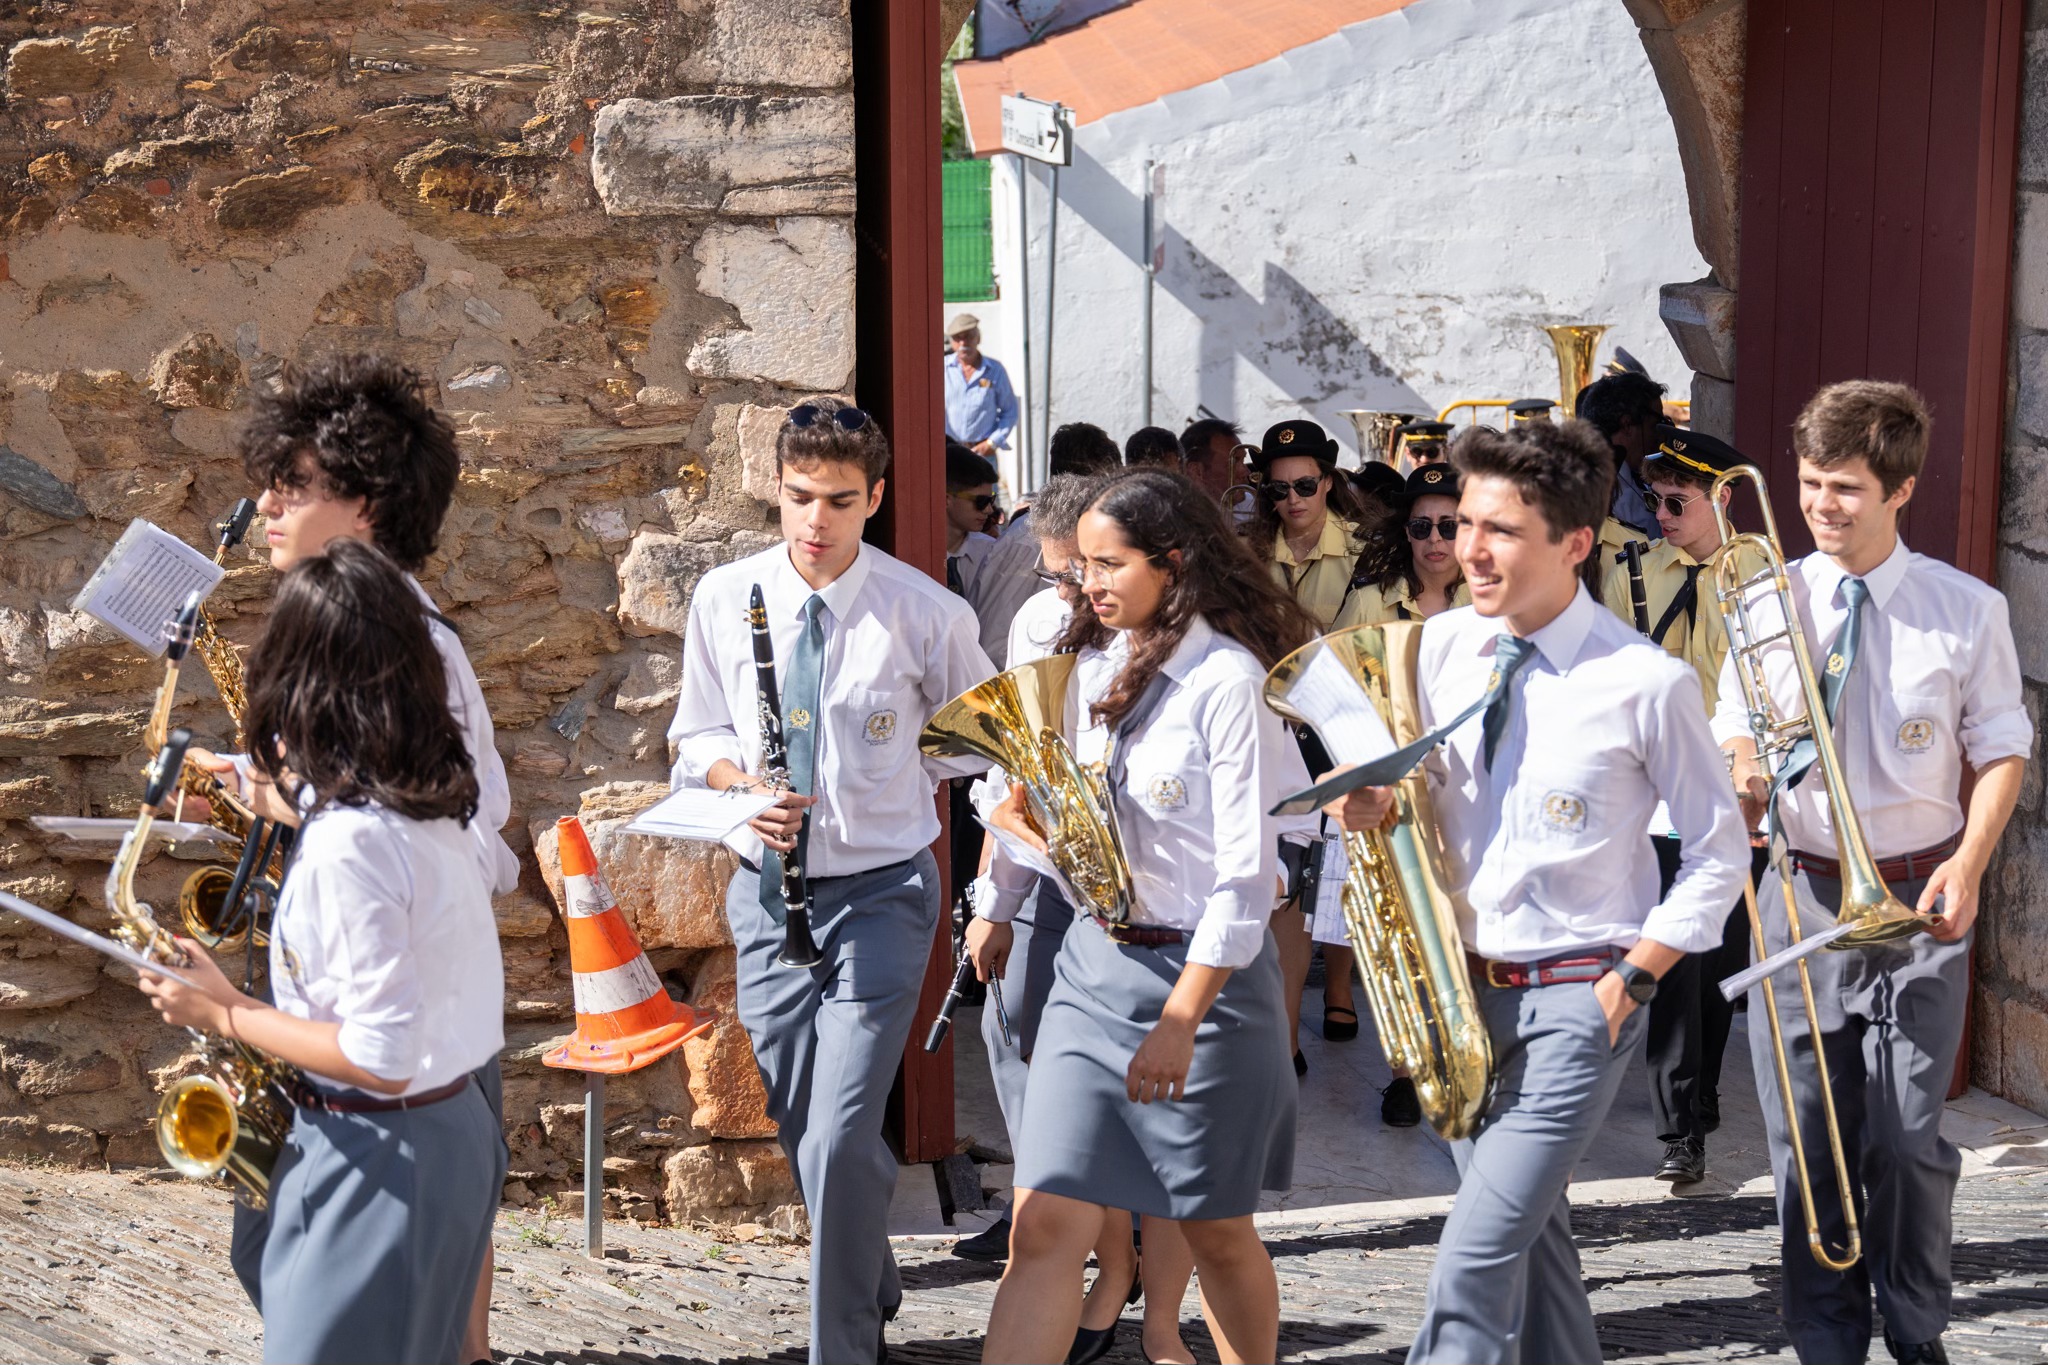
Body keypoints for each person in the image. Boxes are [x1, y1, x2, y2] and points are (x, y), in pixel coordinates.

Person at [1321, 419, 1749, 1364]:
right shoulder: (1435, 649)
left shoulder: (1645, 682)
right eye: (1465, 522)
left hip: (1579, 1001)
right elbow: (1389, 785)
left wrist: (1630, 981)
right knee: (1533, 1241)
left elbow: (1720, 854)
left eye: (1500, 529)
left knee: (1474, 1259)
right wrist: (1367, 797)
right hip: (1459, 999)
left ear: (1575, 542)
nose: (1468, 547)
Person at [181, 354, 516, 1365]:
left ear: (364, 504)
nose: (266, 505)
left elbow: (466, 823)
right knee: (276, 1259)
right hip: (360, 1024)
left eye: (294, 485)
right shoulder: (368, 629)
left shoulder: (412, 644)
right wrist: (271, 797)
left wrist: (328, 833)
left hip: (396, 1050)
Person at [668, 395, 994, 1365]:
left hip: (883, 894)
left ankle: (843, 1345)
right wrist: (740, 787)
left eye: (840, 501)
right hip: (766, 891)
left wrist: (893, 772)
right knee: (804, 1120)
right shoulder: (723, 597)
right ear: (776, 489)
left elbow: (978, 743)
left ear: (875, 498)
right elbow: (696, 734)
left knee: (846, 1123)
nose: (816, 521)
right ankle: (870, 1274)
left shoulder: (927, 612)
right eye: (800, 496)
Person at [1713, 381, 2029, 1365]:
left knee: (1904, 1137)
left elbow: (2003, 748)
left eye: (1845, 487)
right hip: (1798, 893)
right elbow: (1733, 723)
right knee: (1805, 1139)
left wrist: (1969, 865)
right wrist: (1743, 771)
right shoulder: (1763, 598)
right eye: (1810, 482)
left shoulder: (1964, 610)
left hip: (1918, 899)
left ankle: (1915, 1324)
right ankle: (1825, 1337)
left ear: (1901, 489)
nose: (1820, 505)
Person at [976, 469, 1311, 1365]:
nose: (1087, 583)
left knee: (1216, 1232)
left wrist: (1180, 1018)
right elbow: (1074, 834)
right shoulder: (1081, 668)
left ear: (1173, 561)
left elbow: (1247, 878)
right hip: (1092, 972)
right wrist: (1019, 830)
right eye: (1080, 565)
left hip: (1206, 990)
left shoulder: (1227, 680)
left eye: (1108, 564)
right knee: (1043, 1226)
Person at [1598, 424, 1767, 1185]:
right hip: (1662, 788)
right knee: (1674, 958)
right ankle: (1680, 1127)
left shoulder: (1766, 576)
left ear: (1721, 499)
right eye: (1656, 499)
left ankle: (1701, 1091)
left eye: (1678, 502)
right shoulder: (1632, 571)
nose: (1660, 514)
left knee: (1721, 959)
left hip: (1738, 788)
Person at [1244, 419, 1370, 1075]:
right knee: (1285, 888)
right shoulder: (1244, 553)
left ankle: (1341, 990)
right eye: (1278, 489)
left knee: (1347, 876)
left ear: (1328, 481)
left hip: (1341, 732)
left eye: (1305, 485)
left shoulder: (1368, 552)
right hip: (1269, 730)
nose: (1292, 500)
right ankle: (1286, 1037)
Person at [1338, 464, 1474, 629]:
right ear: (1407, 531)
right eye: (1421, 526)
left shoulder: (1492, 603)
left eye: (1449, 526)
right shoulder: (1366, 605)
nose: (1434, 538)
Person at [1576, 370, 1668, 538]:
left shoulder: (1630, 472)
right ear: (1627, 425)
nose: (1659, 435)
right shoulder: (1601, 484)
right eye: (1656, 424)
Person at [944, 313, 1019, 459]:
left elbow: (1010, 410)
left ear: (978, 338)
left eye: (968, 336)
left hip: (982, 454)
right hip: (949, 453)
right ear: (952, 342)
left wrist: (992, 442)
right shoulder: (942, 368)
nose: (963, 343)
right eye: (958, 338)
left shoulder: (995, 370)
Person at [1178, 417, 1246, 505]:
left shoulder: (1251, 504)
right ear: (1196, 471)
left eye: (1243, 461)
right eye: (1233, 462)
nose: (1246, 472)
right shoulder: (1169, 511)